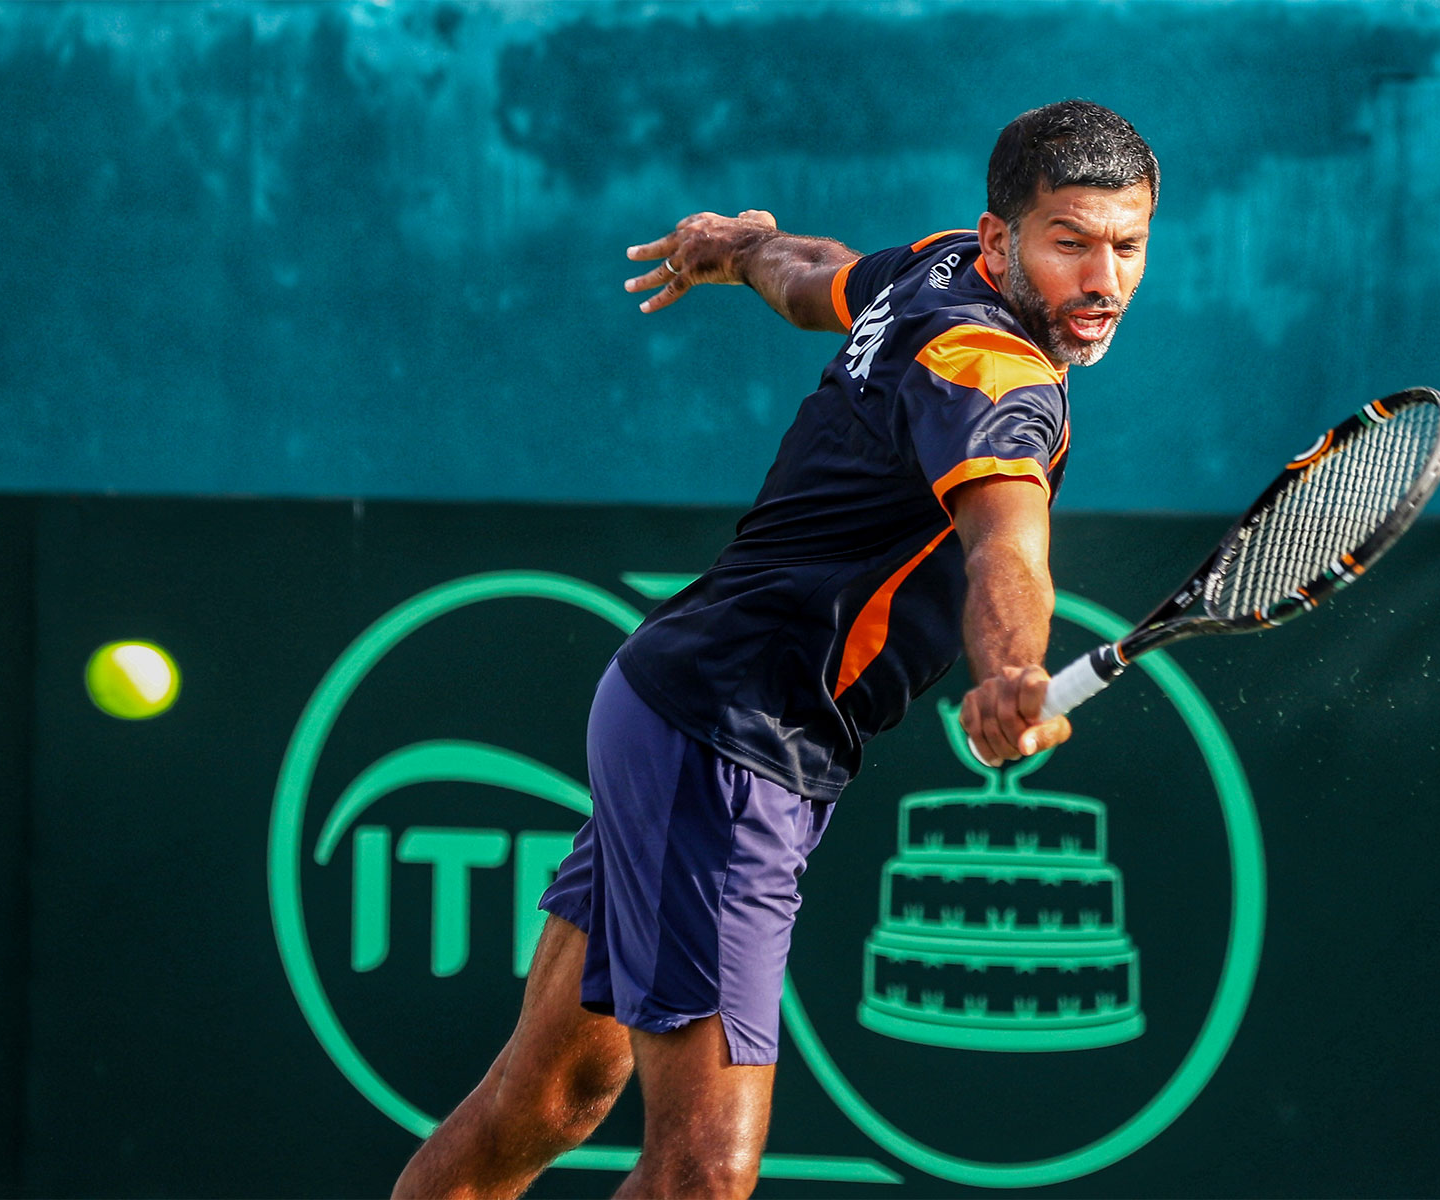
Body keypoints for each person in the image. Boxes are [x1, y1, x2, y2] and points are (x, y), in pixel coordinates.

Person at [393, 99, 1158, 1200]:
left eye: (1125, 246)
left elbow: (818, 277)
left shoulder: (934, 269)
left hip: (672, 703)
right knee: (705, 1174)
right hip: (731, 741)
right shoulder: (999, 377)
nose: (1102, 281)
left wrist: (741, 247)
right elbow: (1006, 548)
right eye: (1069, 243)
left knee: (547, 1099)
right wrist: (1008, 673)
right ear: (1000, 242)